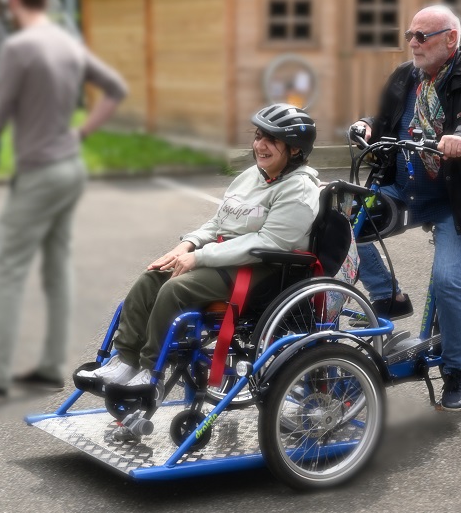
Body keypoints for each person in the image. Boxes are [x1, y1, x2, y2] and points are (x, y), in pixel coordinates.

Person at [0, 0, 129, 398]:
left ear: (13, 1)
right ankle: (49, 367)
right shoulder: (67, 44)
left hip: (40, 172)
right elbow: (116, 88)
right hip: (70, 167)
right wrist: (82, 133)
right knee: (56, 264)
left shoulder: (19, 47)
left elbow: (0, 108)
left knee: (8, 267)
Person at [77, 104, 320, 388]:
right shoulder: (251, 176)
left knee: (175, 289)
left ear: (294, 150)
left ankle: (149, 369)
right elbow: (220, 222)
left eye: (271, 140)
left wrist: (200, 257)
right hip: (227, 258)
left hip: (263, 269)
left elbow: (270, 242)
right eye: (258, 136)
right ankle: (125, 360)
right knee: (151, 278)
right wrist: (188, 245)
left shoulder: (299, 189)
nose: (260, 145)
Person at [350, 5, 461, 411]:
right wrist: (367, 125)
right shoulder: (405, 76)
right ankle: (388, 296)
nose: (413, 44)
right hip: (405, 192)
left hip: (457, 201)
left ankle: (457, 370)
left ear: (451, 39)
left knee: (446, 280)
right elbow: (383, 119)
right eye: (410, 35)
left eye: (423, 36)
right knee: (348, 228)